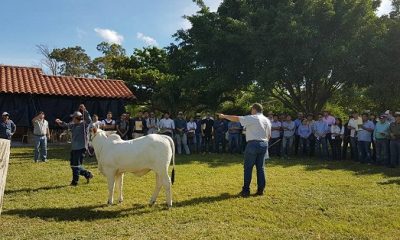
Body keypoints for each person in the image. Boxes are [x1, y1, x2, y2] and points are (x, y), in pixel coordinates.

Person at [218, 103, 271, 197]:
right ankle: (260, 190)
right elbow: (269, 135)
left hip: (253, 144)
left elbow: (237, 118)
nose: (251, 111)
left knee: (248, 168)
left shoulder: (253, 117)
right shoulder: (267, 119)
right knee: (261, 168)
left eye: (251, 109)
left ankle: (246, 190)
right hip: (264, 144)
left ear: (254, 109)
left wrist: (224, 116)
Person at [55, 107, 93, 186]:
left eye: (73, 118)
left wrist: (84, 110)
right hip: (74, 148)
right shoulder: (73, 125)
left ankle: (74, 182)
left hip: (81, 148)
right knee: (73, 165)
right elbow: (66, 125)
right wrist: (60, 122)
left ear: (77, 118)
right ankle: (87, 174)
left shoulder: (84, 125)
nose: (72, 119)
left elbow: (89, 120)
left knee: (76, 165)